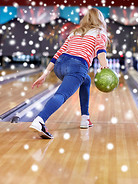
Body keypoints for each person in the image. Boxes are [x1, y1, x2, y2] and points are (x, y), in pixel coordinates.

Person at [30, 8, 108, 139]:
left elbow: (59, 52)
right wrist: (104, 66)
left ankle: (85, 118)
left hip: (60, 66)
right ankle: (40, 120)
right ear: (100, 20)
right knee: (61, 95)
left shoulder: (75, 33)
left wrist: (45, 73)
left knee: (86, 80)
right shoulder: (100, 32)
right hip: (77, 66)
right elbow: (100, 51)